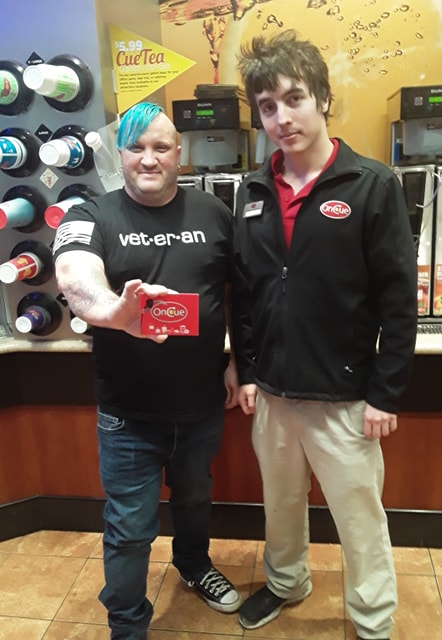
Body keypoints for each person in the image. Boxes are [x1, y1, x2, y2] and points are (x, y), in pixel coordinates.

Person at [232, 30, 418, 640]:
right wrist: (249, 371)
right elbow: (245, 291)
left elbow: (398, 300)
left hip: (344, 398)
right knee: (280, 506)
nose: (282, 118)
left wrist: (386, 393)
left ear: (323, 99)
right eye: (268, 107)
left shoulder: (371, 185)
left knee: (359, 518)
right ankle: (286, 583)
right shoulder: (252, 191)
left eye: (294, 99)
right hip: (273, 395)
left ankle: (373, 620)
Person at [53, 102, 241, 640]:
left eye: (161, 147)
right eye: (136, 148)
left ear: (180, 153)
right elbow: (74, 274)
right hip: (128, 416)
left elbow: (236, 293)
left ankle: (194, 565)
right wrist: (115, 312)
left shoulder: (213, 212)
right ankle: (128, 625)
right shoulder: (90, 214)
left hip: (201, 403)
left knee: (194, 501)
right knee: (131, 529)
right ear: (121, 154)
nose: (149, 158)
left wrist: (237, 362)